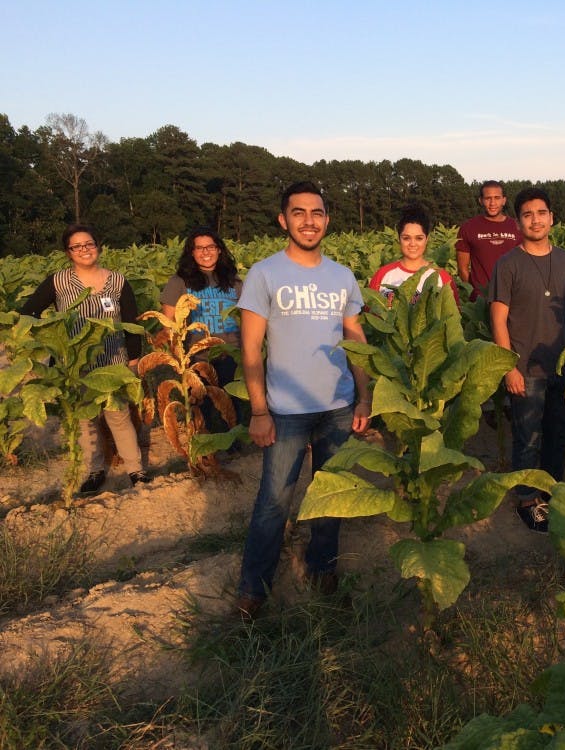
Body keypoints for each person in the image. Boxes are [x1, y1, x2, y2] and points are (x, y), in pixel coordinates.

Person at [234, 181, 371, 619]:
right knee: (274, 501)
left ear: (327, 220)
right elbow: (251, 349)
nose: (309, 221)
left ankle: (322, 570)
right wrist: (258, 410)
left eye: (317, 213)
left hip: (338, 405)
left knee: (330, 496)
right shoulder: (265, 274)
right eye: (299, 213)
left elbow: (355, 338)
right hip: (286, 410)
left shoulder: (342, 275)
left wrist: (364, 397)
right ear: (283, 220)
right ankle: (253, 590)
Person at [20, 224, 151, 493]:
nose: (84, 250)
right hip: (76, 365)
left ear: (98, 246)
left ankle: (136, 471)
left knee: (119, 416)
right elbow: (28, 312)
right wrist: (50, 342)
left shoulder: (117, 280)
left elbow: (130, 322)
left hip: (113, 362)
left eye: (89, 244)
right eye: (77, 246)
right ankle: (95, 471)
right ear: (68, 252)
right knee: (85, 420)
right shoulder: (58, 282)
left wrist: (133, 361)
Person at [489, 187, 565, 533]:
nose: (536, 220)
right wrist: (508, 367)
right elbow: (498, 318)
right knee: (527, 435)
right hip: (526, 367)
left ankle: (551, 492)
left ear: (552, 218)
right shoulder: (508, 264)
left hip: (564, 364)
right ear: (518, 222)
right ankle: (528, 499)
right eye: (528, 214)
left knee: (559, 432)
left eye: (541, 213)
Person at [160, 227, 243, 426]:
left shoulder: (234, 281)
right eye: (199, 248)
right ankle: (205, 449)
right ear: (192, 252)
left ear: (219, 250)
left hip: (231, 352)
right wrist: (177, 353)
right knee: (201, 405)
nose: (205, 252)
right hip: (198, 355)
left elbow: (246, 316)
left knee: (232, 404)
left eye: (210, 247)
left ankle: (233, 445)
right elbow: (168, 321)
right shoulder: (179, 281)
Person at [369, 204, 459, 305]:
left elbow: (451, 316)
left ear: (427, 239)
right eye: (406, 238)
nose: (412, 244)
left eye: (419, 238)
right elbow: (371, 314)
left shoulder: (442, 277)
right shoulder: (382, 275)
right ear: (399, 239)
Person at [455, 180, 522, 300]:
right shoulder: (468, 228)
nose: (492, 203)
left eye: (497, 198)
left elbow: (524, 263)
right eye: (488, 198)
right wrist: (474, 294)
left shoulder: (517, 227)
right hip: (481, 298)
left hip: (513, 297)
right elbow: (462, 268)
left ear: (504, 200)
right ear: (480, 200)